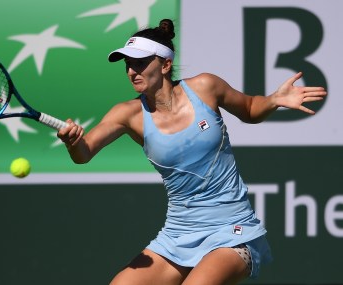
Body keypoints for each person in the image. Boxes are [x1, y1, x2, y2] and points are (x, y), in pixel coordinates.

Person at [57, 19, 327, 285]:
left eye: (140, 63)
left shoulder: (205, 87)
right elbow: (84, 152)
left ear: (165, 64)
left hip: (234, 232)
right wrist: (72, 142)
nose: (131, 71)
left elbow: (249, 109)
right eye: (128, 64)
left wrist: (274, 100)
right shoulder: (127, 114)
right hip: (178, 235)